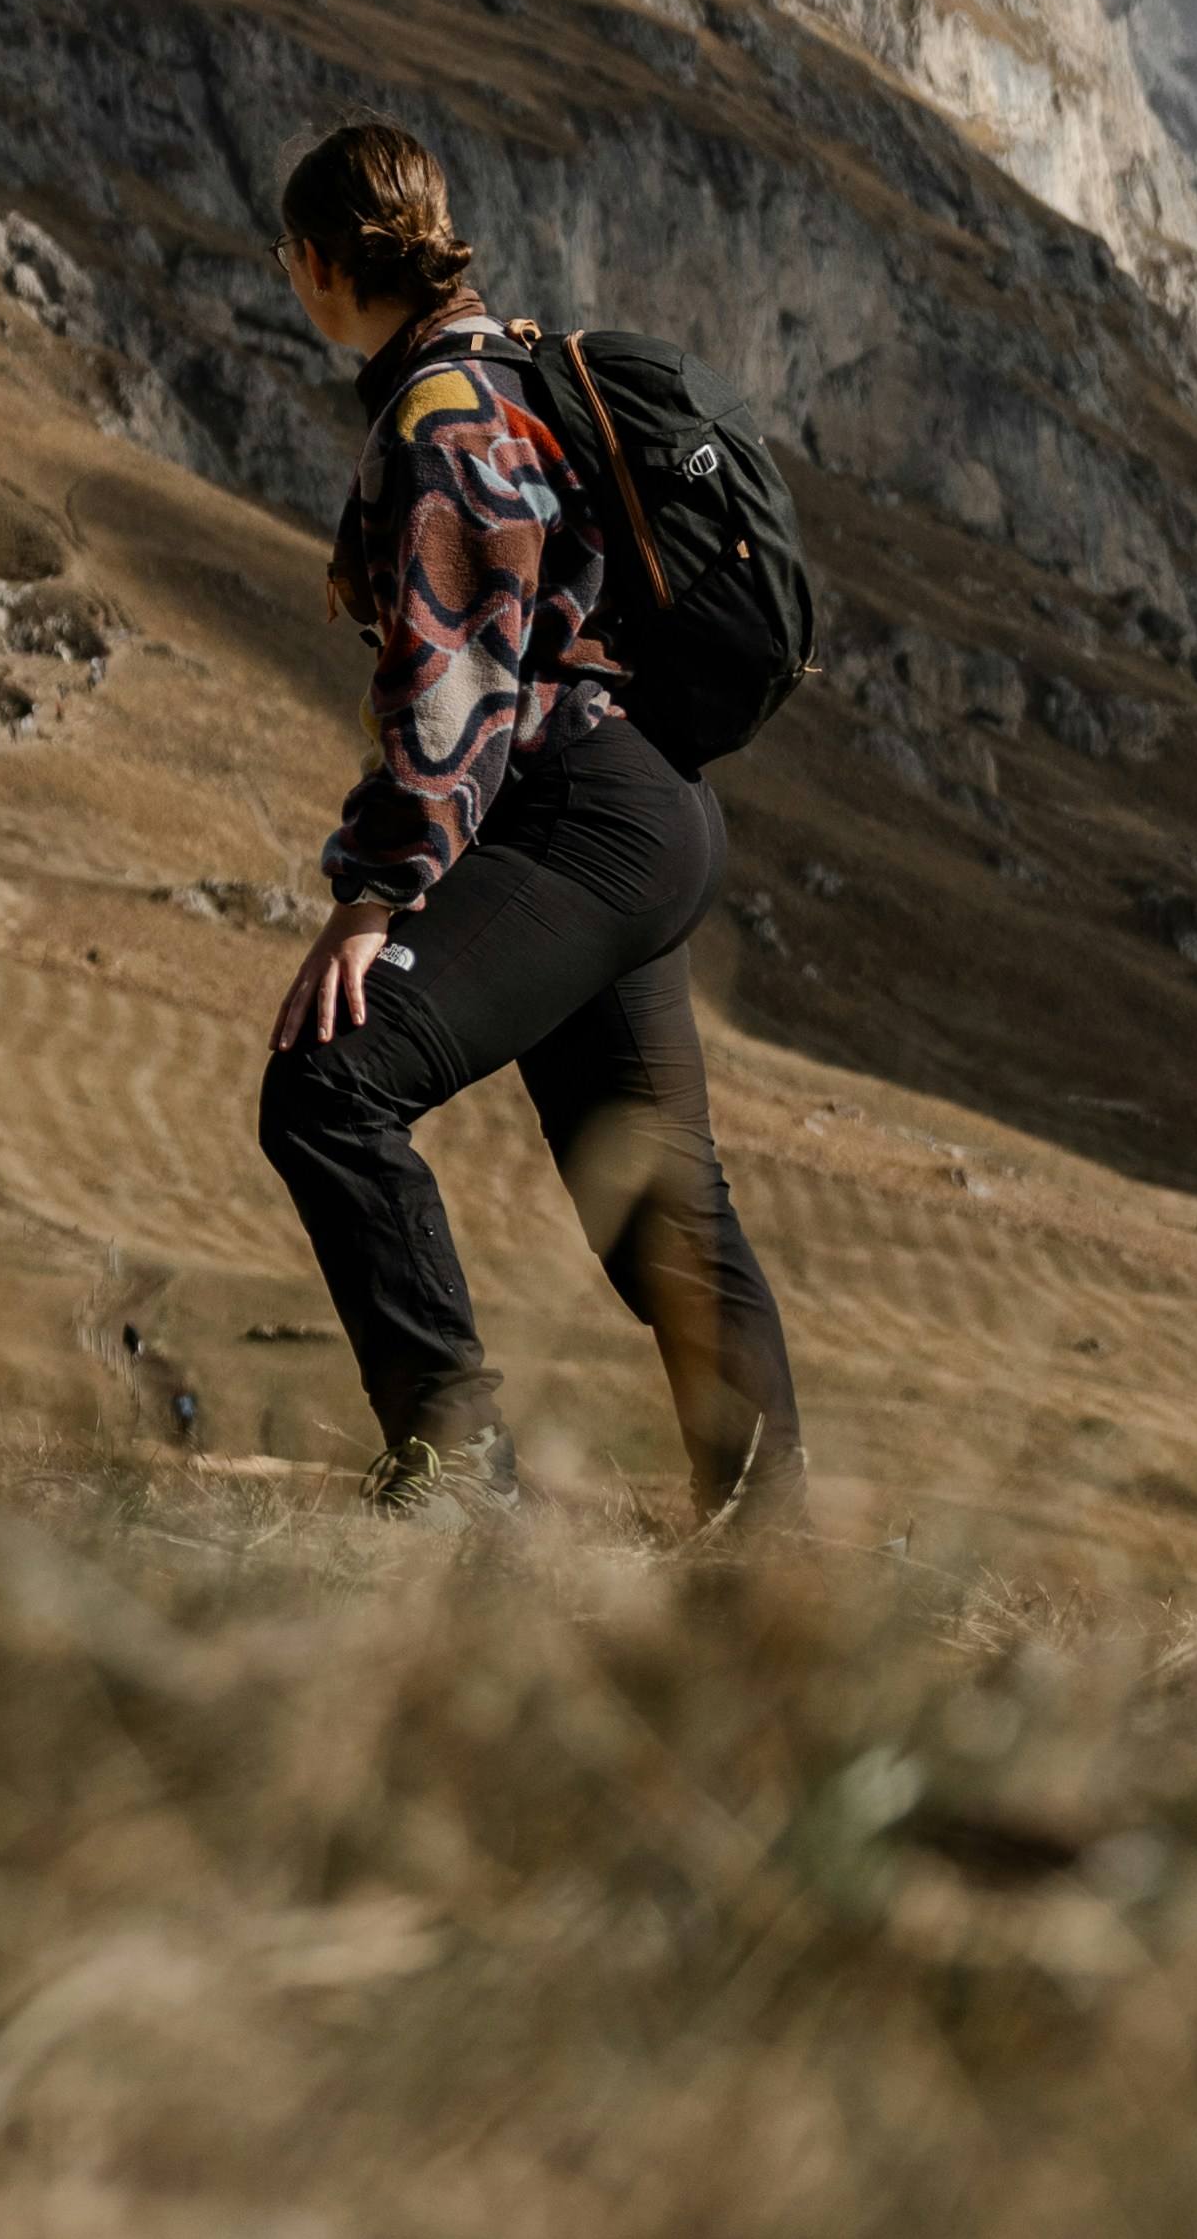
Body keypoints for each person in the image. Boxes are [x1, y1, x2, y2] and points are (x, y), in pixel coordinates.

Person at [255, 118, 801, 1526]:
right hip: (646, 809)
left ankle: (453, 1456)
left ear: (315, 264)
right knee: (661, 1209)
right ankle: (768, 1545)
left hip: (573, 812)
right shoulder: (507, 367)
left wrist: (371, 897)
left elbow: (458, 671)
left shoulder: (443, 413)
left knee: (328, 1088)